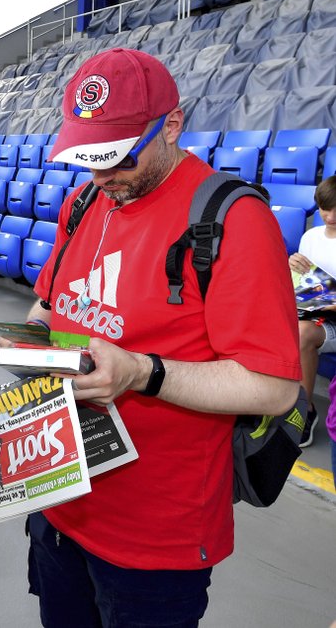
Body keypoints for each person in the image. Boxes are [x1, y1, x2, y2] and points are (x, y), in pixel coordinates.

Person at [20, 48, 300, 626]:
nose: (101, 177)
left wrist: (143, 373)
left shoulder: (232, 220)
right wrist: (27, 345)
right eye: (88, 158)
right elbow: (47, 307)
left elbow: (273, 388)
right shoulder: (85, 203)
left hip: (156, 538)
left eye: (117, 158)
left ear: (171, 125)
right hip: (61, 501)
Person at [287, 176, 336, 447]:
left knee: (302, 332)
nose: (330, 216)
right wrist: (292, 264)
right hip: (315, 310)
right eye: (325, 208)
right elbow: (305, 282)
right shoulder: (311, 237)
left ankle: (305, 411)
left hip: (330, 317)